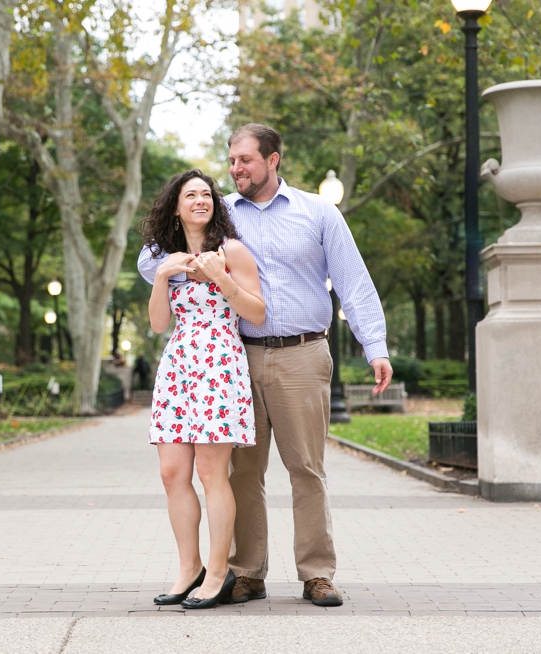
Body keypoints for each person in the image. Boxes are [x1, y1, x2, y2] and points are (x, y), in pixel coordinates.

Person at [138, 124, 393, 607]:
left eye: (245, 161)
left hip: (302, 352)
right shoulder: (219, 211)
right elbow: (154, 259)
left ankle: (316, 573)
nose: (235, 169)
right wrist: (180, 268)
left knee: (306, 468)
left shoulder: (318, 212)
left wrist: (374, 347)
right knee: (241, 472)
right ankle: (247, 573)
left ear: (273, 160)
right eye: (231, 161)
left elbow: (353, 282)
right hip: (235, 356)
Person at [142, 169, 266, 609]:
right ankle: (187, 568)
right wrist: (162, 278)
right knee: (173, 473)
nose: (200, 200)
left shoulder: (230, 250)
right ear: (175, 207)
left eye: (206, 194)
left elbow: (256, 313)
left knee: (213, 473)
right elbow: (159, 323)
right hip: (178, 367)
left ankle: (218, 573)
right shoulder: (167, 259)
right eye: (190, 195)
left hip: (218, 365)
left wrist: (222, 278)